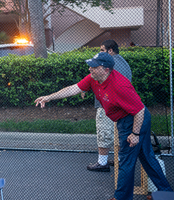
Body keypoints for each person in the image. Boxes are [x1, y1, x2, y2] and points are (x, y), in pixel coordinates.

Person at [34, 52, 173, 200]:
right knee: (147, 157)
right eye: (90, 66)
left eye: (94, 66)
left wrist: (135, 134)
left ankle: (121, 198)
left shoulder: (120, 85)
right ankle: (166, 194)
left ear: (106, 69)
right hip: (126, 119)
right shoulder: (94, 79)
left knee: (125, 160)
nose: (90, 69)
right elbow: (73, 88)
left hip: (135, 120)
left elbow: (139, 111)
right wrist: (49, 97)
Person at [82, 40, 132, 172]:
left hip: (107, 105)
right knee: (118, 135)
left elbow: (101, 78)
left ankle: (102, 163)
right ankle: (119, 160)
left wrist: (85, 88)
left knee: (104, 133)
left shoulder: (109, 63)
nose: (100, 53)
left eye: (102, 50)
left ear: (110, 51)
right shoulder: (123, 63)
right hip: (121, 107)